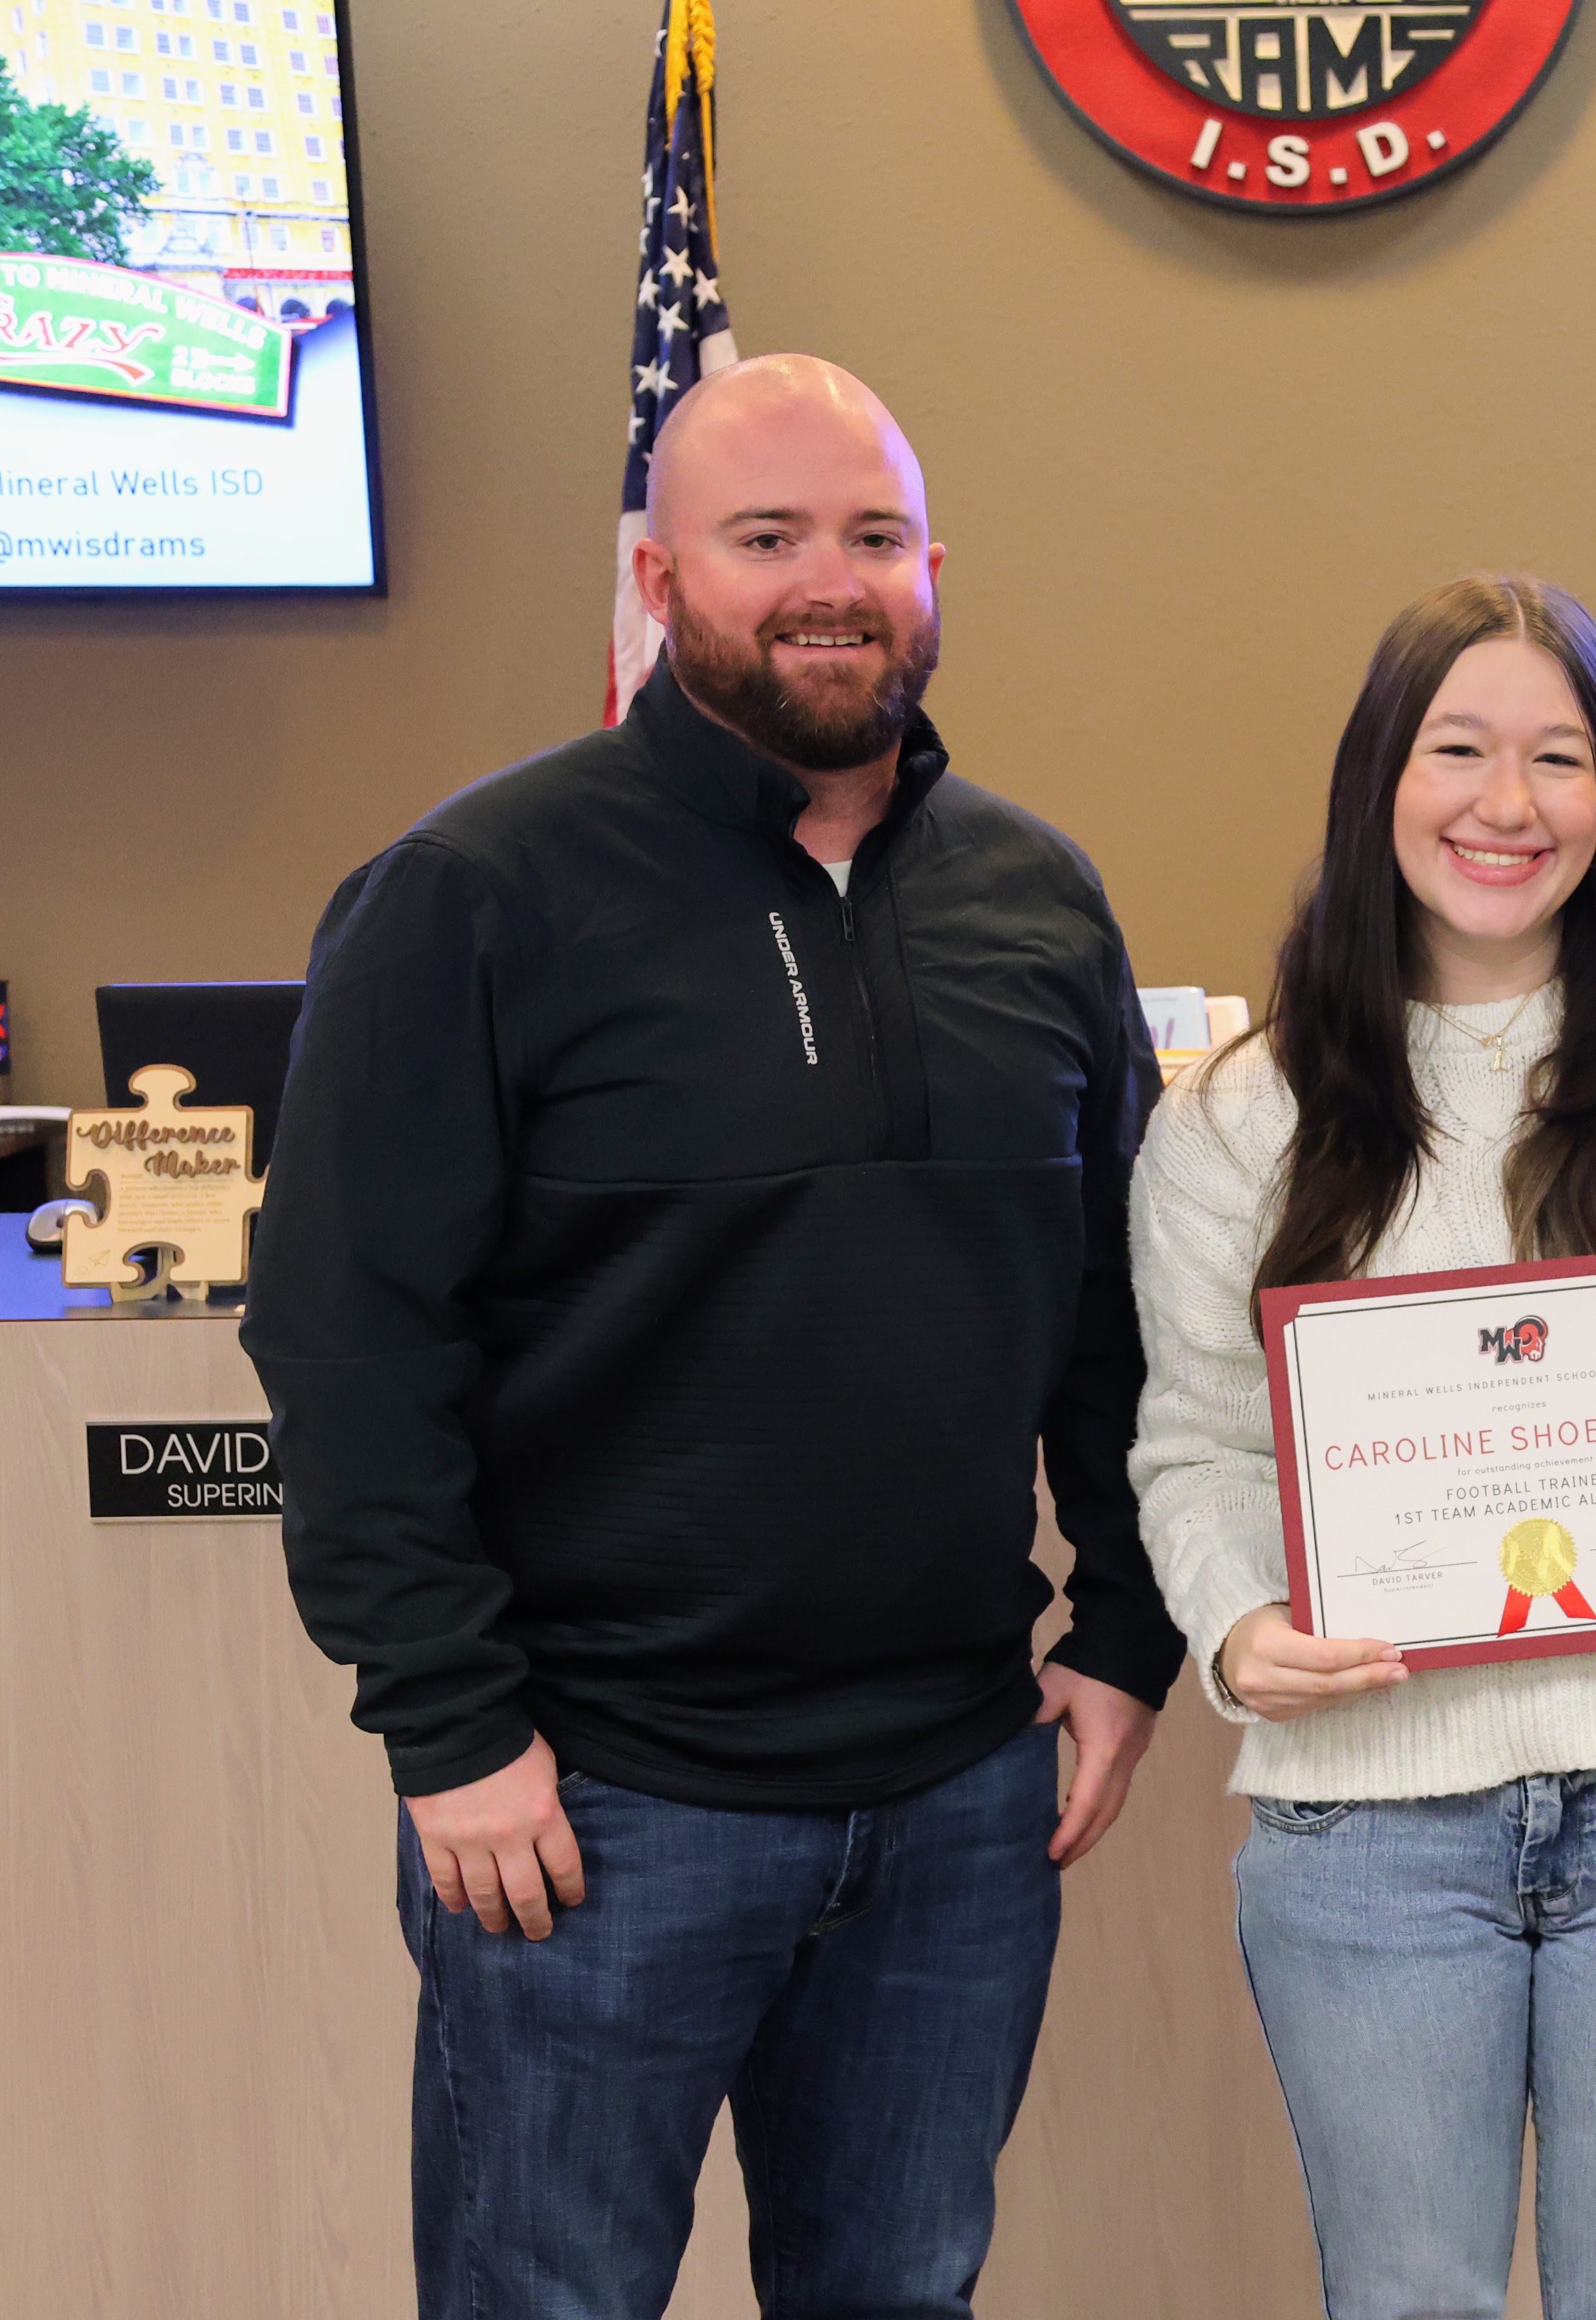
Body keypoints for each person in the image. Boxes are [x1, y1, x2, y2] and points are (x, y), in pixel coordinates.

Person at [243, 355, 1181, 2318]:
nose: (825, 583)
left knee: (903, 2291)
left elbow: (1121, 1310)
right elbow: (347, 1342)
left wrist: (1121, 1629)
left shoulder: (1039, 903)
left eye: (870, 538)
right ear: (662, 579)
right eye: (767, 540)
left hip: (955, 1797)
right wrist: (450, 1723)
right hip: (590, 1807)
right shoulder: (470, 899)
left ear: (935, 572)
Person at [1129, 573, 1596, 2319]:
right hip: (1367, 1825)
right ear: (1376, 783)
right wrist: (1244, 1634)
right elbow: (1193, 1442)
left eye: (1560, 759)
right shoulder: (1239, 1114)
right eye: (1457, 749)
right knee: (1410, 2306)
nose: (1508, 804)